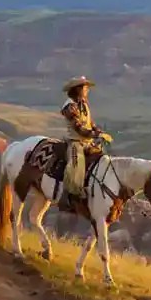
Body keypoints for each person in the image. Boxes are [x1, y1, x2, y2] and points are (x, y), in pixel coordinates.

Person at [58, 76, 106, 211]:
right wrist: (93, 134)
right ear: (78, 89)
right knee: (75, 165)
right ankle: (68, 196)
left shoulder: (83, 104)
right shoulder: (69, 106)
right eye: (85, 88)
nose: (87, 91)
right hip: (75, 142)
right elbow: (78, 127)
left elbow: (90, 123)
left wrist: (97, 130)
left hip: (88, 141)